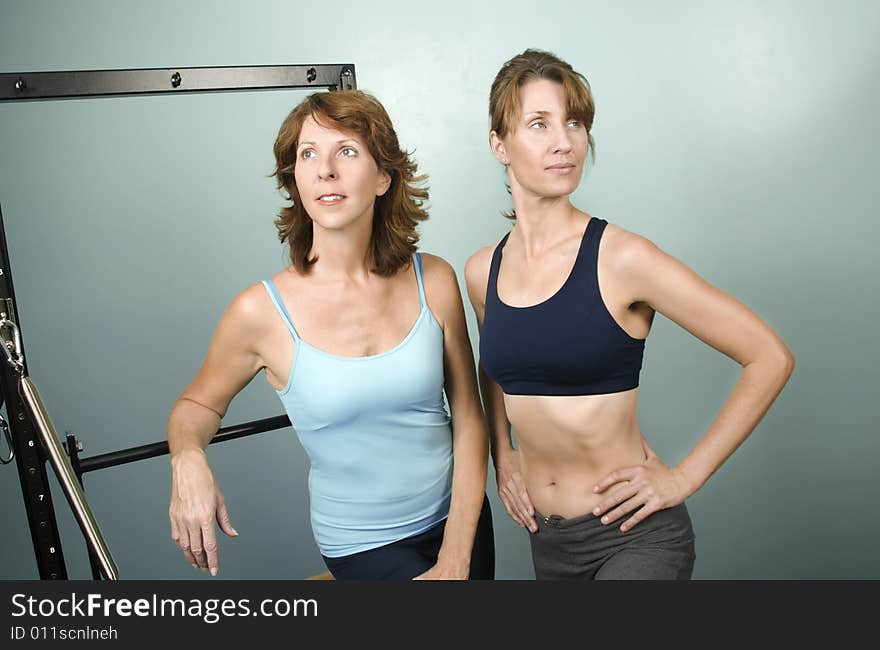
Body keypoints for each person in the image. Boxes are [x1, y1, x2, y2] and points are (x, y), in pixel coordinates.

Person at [464, 49, 794, 580]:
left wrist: (683, 478)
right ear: (499, 144)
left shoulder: (623, 259)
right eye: (539, 124)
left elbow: (769, 356)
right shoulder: (484, 271)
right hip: (547, 542)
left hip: (633, 537)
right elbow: (497, 365)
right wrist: (503, 453)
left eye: (574, 122)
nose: (563, 142)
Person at [167, 89, 494, 580]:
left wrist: (456, 556)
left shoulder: (436, 280)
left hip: (463, 524)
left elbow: (469, 418)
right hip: (364, 544)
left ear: (384, 177)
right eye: (308, 154)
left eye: (346, 150)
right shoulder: (260, 312)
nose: (325, 169)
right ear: (294, 179)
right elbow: (196, 407)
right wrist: (188, 456)